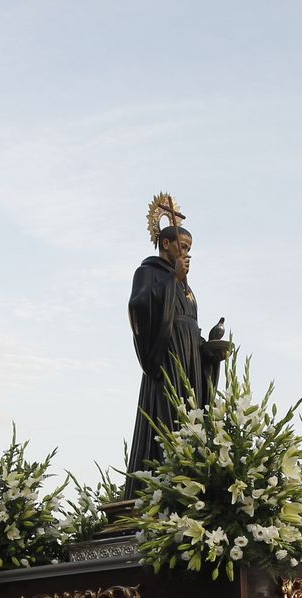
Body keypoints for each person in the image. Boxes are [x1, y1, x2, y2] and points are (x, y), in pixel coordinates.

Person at [126, 199, 229, 476]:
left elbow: (189, 326)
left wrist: (208, 352)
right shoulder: (148, 272)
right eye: (182, 247)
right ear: (166, 244)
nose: (186, 253)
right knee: (168, 415)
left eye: (189, 249)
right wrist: (172, 281)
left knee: (192, 414)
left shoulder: (186, 286)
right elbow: (139, 306)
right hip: (167, 359)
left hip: (191, 362)